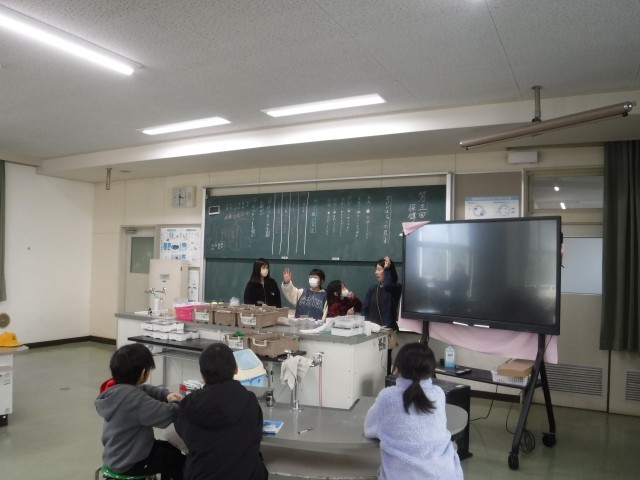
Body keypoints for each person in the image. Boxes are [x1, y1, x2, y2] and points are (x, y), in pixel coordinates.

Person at [364, 343, 463, 480]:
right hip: (444, 474)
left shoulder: (387, 397)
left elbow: (369, 429)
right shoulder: (438, 393)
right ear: (431, 370)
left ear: (398, 369)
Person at [175, 343, 268, 480]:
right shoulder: (249, 401)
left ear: (203, 374)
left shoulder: (190, 404)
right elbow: (255, 433)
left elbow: (184, 433)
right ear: (236, 369)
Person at [95, 343, 185, 480]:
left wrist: (165, 395)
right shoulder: (134, 399)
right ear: (143, 373)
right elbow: (165, 414)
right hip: (132, 462)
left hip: (116, 455)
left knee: (171, 449)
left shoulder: (116, 390)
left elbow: (144, 389)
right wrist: (180, 404)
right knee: (179, 461)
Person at [361, 256, 402, 329]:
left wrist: (387, 268)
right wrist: (366, 325)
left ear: (388, 271)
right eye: (376, 269)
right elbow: (364, 309)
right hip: (373, 330)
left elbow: (388, 286)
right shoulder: (372, 288)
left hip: (389, 330)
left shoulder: (396, 288)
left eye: (379, 269)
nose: (376, 272)